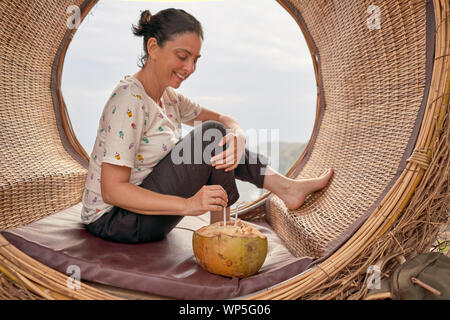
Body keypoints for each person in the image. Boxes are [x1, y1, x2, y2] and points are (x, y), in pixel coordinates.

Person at [81, 8, 334, 244]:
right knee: (210, 137)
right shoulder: (129, 99)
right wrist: (188, 205)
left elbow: (223, 120)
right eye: (182, 56)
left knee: (216, 136)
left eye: (195, 59)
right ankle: (223, 232)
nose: (190, 68)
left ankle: (284, 189)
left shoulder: (170, 98)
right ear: (153, 47)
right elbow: (112, 191)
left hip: (148, 213)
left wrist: (238, 134)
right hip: (115, 220)